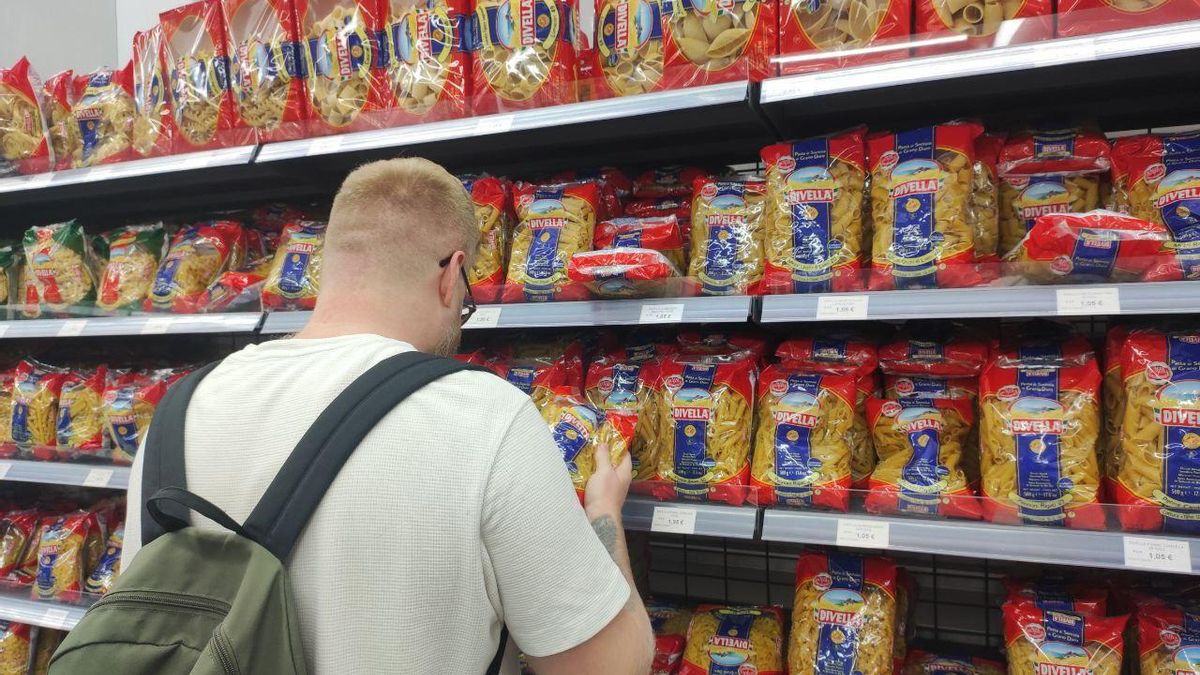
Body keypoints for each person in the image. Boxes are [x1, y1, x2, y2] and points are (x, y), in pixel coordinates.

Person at [121, 158, 654, 674]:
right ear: (452, 274)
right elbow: (608, 667)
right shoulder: (486, 418)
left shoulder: (176, 414)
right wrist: (603, 511)